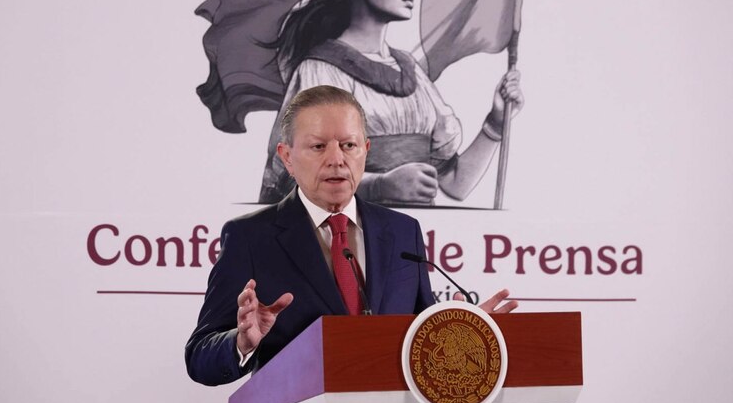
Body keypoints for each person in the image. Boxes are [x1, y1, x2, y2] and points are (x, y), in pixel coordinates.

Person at [186, 85, 517, 386]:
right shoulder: (250, 237)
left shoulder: (403, 232)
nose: (336, 160)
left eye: (348, 145)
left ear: (365, 150)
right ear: (286, 157)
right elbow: (199, 356)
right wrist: (242, 342)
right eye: (318, 146)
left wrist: (465, 332)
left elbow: (421, 340)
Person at [259, 0, 524, 206]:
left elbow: (455, 184)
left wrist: (495, 122)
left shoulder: (413, 75)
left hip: (420, 240)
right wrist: (378, 187)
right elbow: (294, 175)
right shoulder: (320, 72)